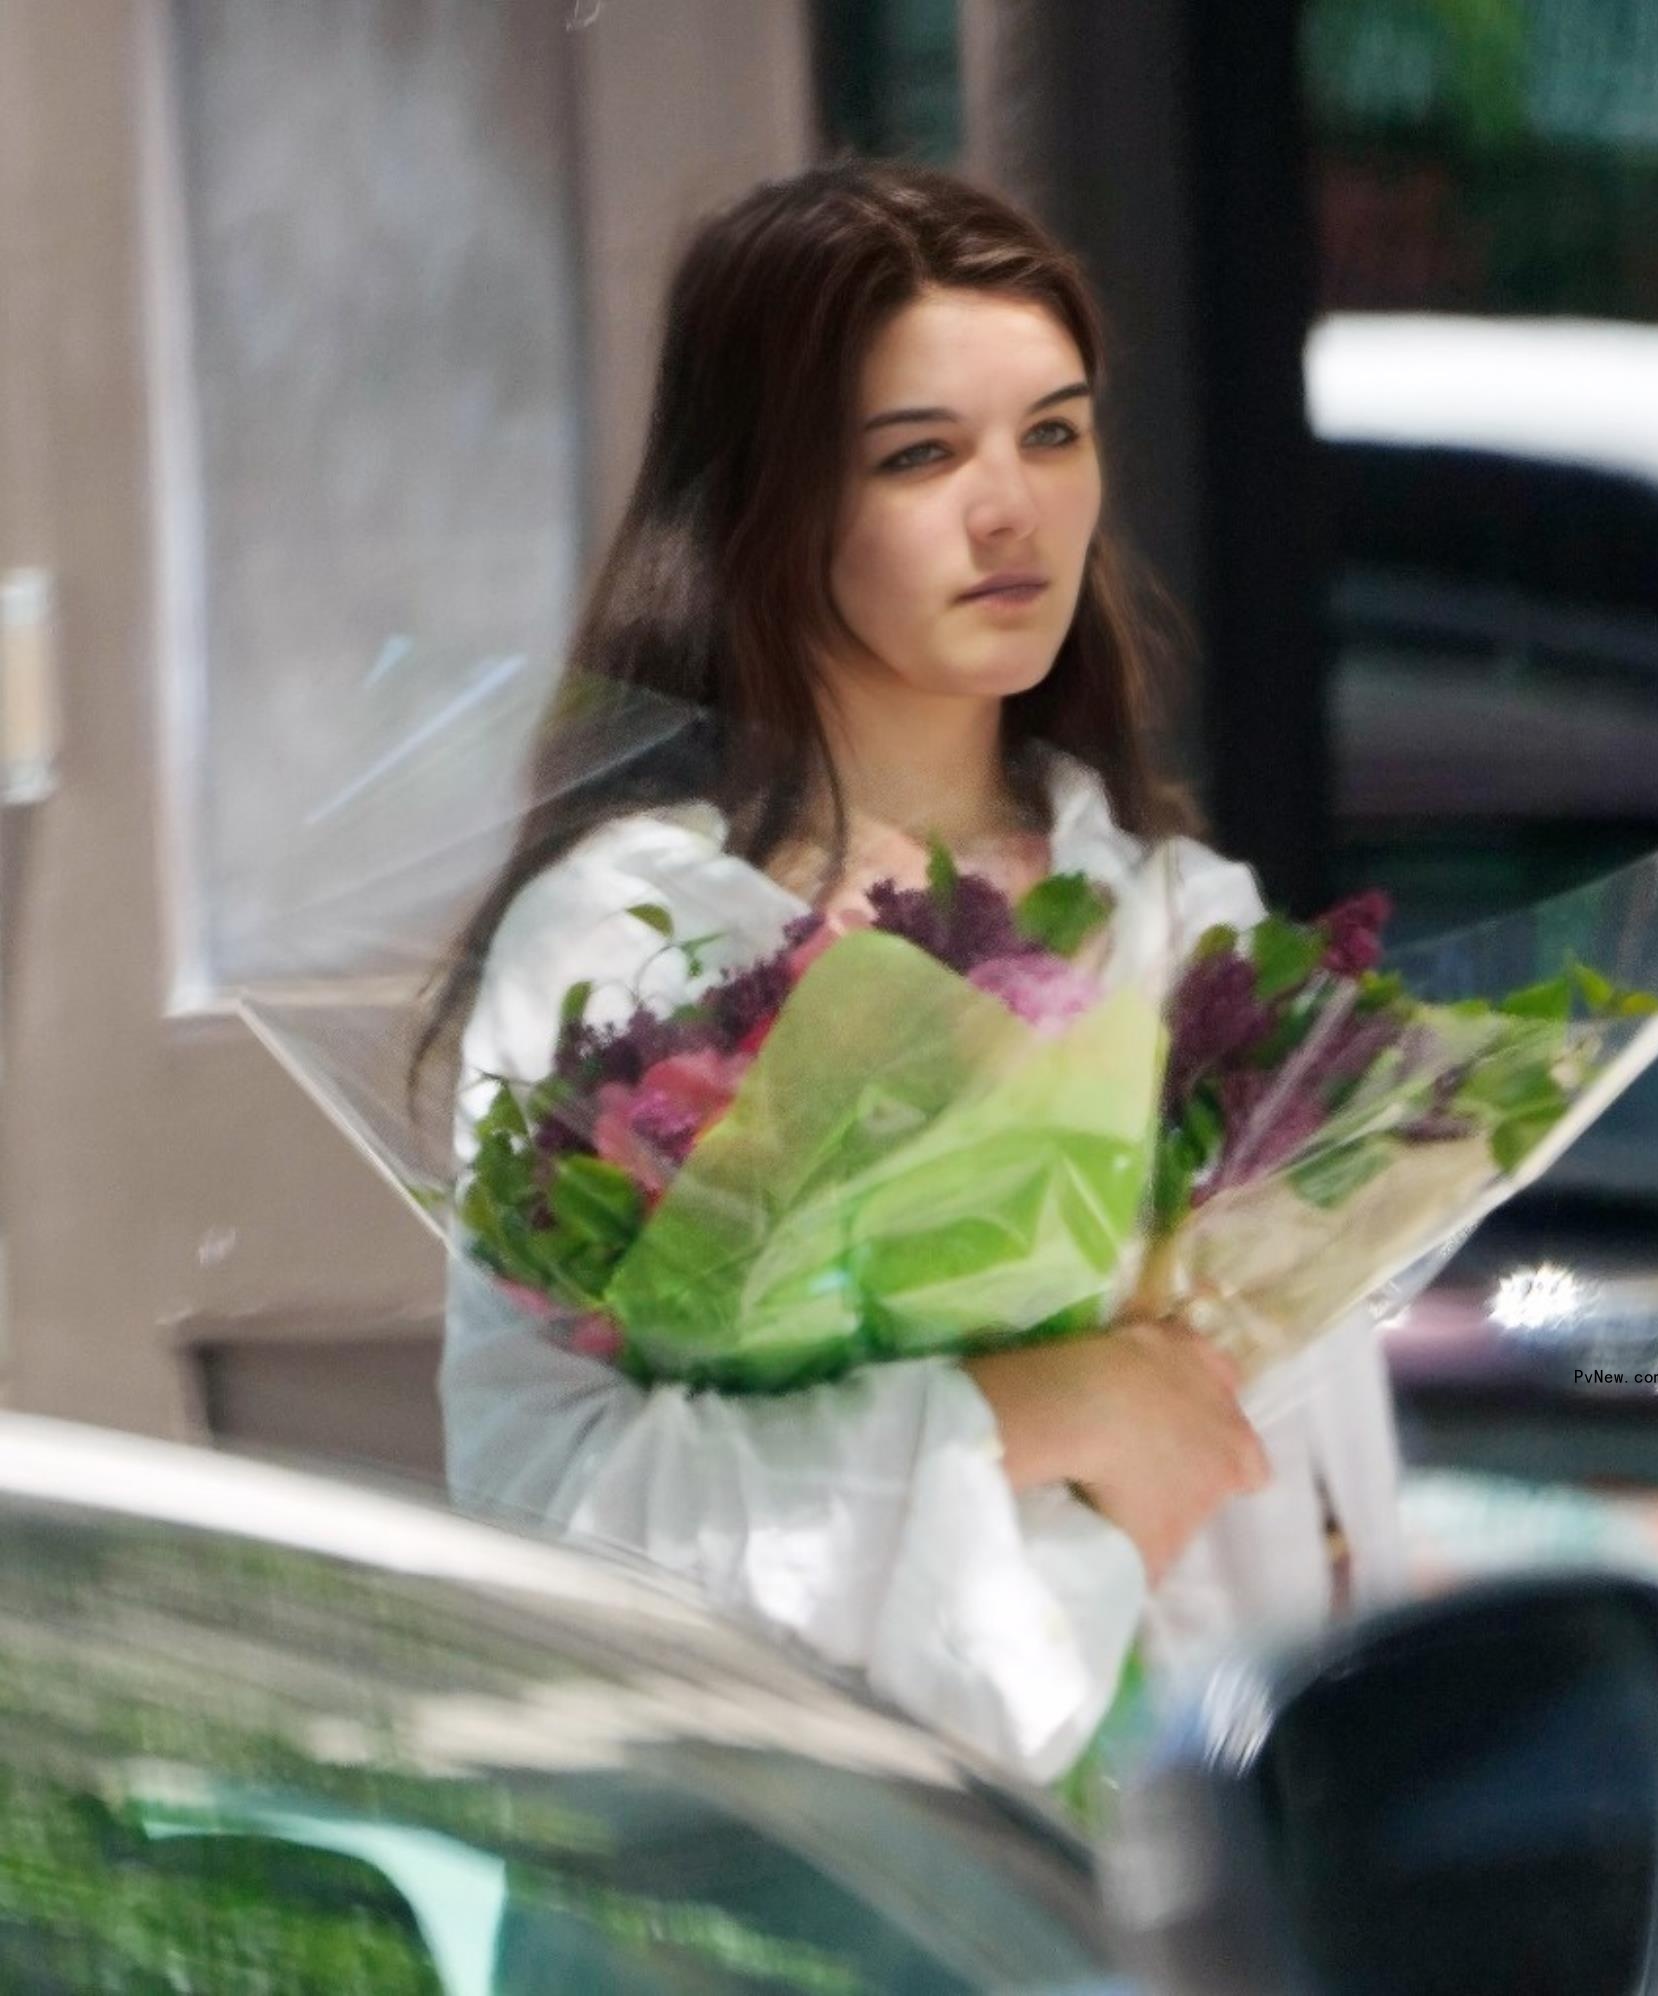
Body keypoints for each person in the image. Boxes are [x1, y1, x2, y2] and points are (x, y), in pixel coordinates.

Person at [419, 159, 1405, 1783]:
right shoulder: (632, 947)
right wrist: (1049, 1412)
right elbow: (549, 1497)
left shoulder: (1189, 934)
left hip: (1130, 1864)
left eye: (1054, 433)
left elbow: (1306, 1511)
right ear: (766, 498)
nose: (1009, 507)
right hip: (755, 1863)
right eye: (920, 454)